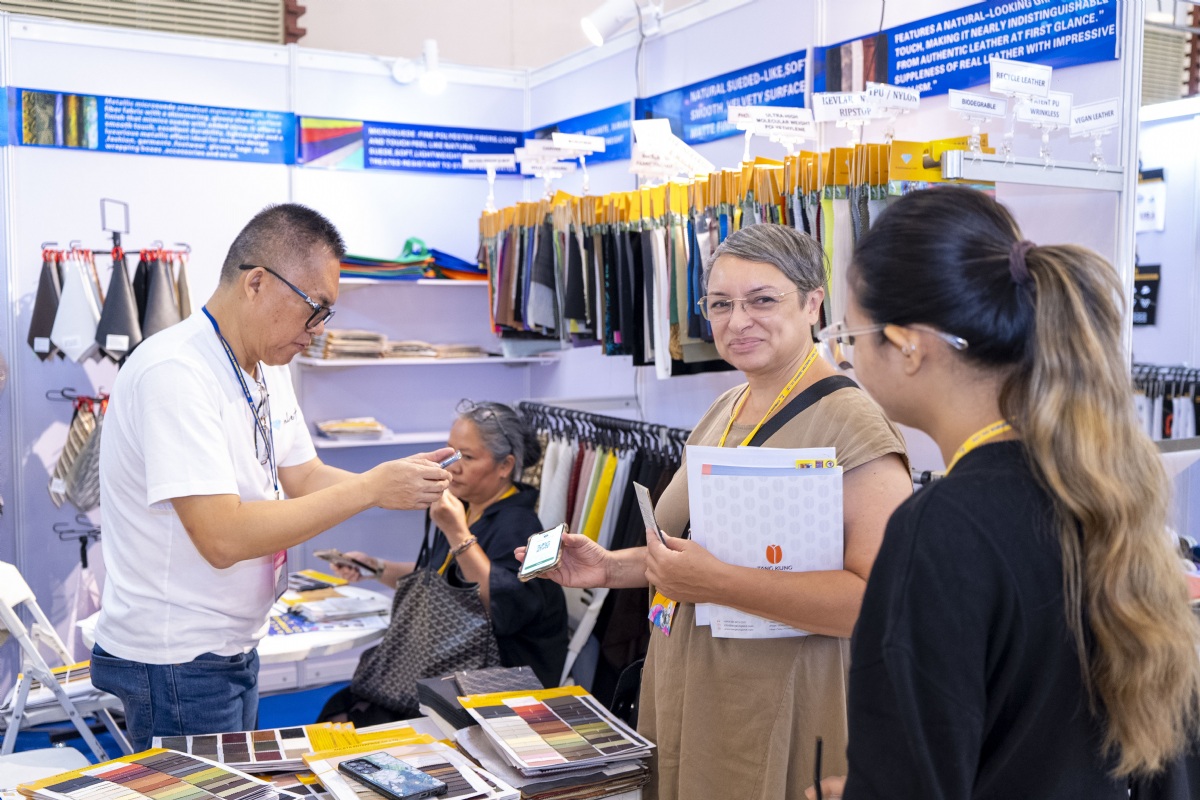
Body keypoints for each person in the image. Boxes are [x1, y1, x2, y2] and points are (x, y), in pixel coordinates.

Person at [806, 186, 1200, 799]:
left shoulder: (940, 529)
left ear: (907, 345)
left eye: (849, 336)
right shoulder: (1098, 489)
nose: (845, 355)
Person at [523, 223, 914, 800]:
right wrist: (609, 567)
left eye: (762, 300)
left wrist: (717, 583)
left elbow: (875, 603)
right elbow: (693, 552)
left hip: (778, 703)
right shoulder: (726, 407)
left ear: (812, 303)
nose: (738, 321)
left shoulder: (852, 425)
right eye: (720, 304)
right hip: (690, 692)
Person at [94, 204, 454, 750]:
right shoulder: (176, 372)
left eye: (326, 314)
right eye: (315, 309)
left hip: (230, 644)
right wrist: (370, 488)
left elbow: (304, 475)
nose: (318, 330)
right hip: (178, 656)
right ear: (257, 283)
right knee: (210, 785)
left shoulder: (264, 364)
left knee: (240, 778)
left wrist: (393, 485)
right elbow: (222, 537)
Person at [324, 400, 568, 721]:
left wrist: (457, 533)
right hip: (445, 664)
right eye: (451, 453)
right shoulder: (465, 508)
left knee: (358, 715)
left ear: (505, 466)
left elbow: (504, 609)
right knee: (342, 706)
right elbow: (439, 581)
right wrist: (375, 567)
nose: (453, 466)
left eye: (467, 457)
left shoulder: (522, 527)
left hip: (495, 679)